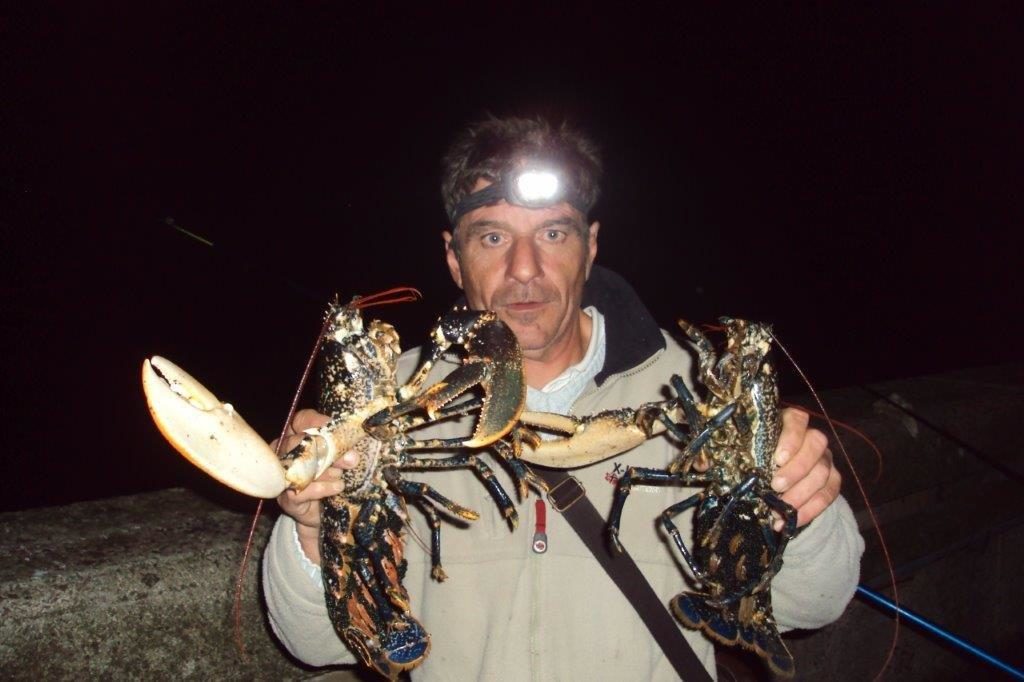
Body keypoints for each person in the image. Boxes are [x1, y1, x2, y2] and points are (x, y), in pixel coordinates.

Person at [262, 116, 864, 680]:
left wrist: (800, 506)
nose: (525, 269)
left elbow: (813, 603)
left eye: (553, 233)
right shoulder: (383, 410)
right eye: (492, 236)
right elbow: (313, 644)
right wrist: (311, 527)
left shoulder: (700, 393)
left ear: (591, 245)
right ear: (453, 256)